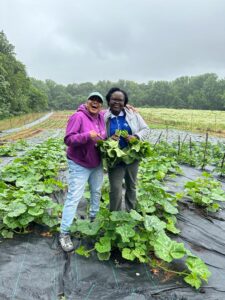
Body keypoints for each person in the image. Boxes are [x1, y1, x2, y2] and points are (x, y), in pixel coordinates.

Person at [59, 92, 107, 252]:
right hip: (79, 164)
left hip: (96, 163)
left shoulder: (101, 117)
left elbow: (113, 114)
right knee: (74, 197)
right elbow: (68, 139)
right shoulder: (78, 117)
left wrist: (127, 107)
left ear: (101, 105)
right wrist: (87, 136)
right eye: (92, 100)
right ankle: (64, 233)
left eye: (98, 101)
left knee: (96, 193)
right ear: (87, 102)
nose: (95, 103)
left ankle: (93, 220)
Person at [104, 87, 150, 212]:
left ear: (125, 103)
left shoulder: (133, 114)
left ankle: (131, 213)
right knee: (115, 188)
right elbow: (99, 134)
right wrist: (108, 141)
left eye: (120, 100)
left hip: (132, 156)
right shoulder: (103, 117)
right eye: (114, 99)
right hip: (114, 158)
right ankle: (115, 215)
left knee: (131, 186)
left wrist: (135, 137)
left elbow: (146, 129)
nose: (117, 102)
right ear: (108, 100)